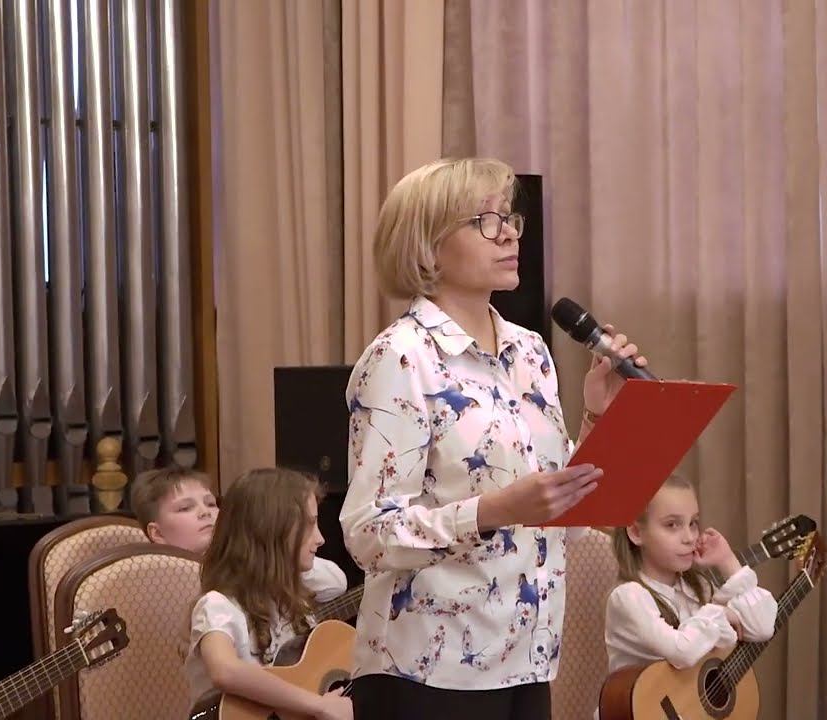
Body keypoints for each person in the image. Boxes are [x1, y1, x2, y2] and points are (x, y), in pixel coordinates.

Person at [340, 157, 648, 719]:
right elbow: (368, 535)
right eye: (484, 220)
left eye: (509, 218)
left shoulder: (530, 351)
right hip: (427, 671)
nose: (508, 233)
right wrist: (493, 511)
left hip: (526, 656)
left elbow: (562, 514)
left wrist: (598, 419)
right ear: (428, 247)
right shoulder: (400, 358)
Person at [185, 468, 351, 719]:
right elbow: (224, 671)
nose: (320, 539)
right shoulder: (218, 606)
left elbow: (337, 582)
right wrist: (319, 705)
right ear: (271, 532)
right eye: (308, 525)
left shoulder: (293, 603)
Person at [604, 476, 778, 673]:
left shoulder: (697, 587)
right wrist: (721, 613)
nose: (689, 538)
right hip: (636, 695)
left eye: (693, 523)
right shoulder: (627, 597)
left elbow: (762, 628)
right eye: (672, 525)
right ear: (636, 533)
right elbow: (682, 652)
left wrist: (728, 561)